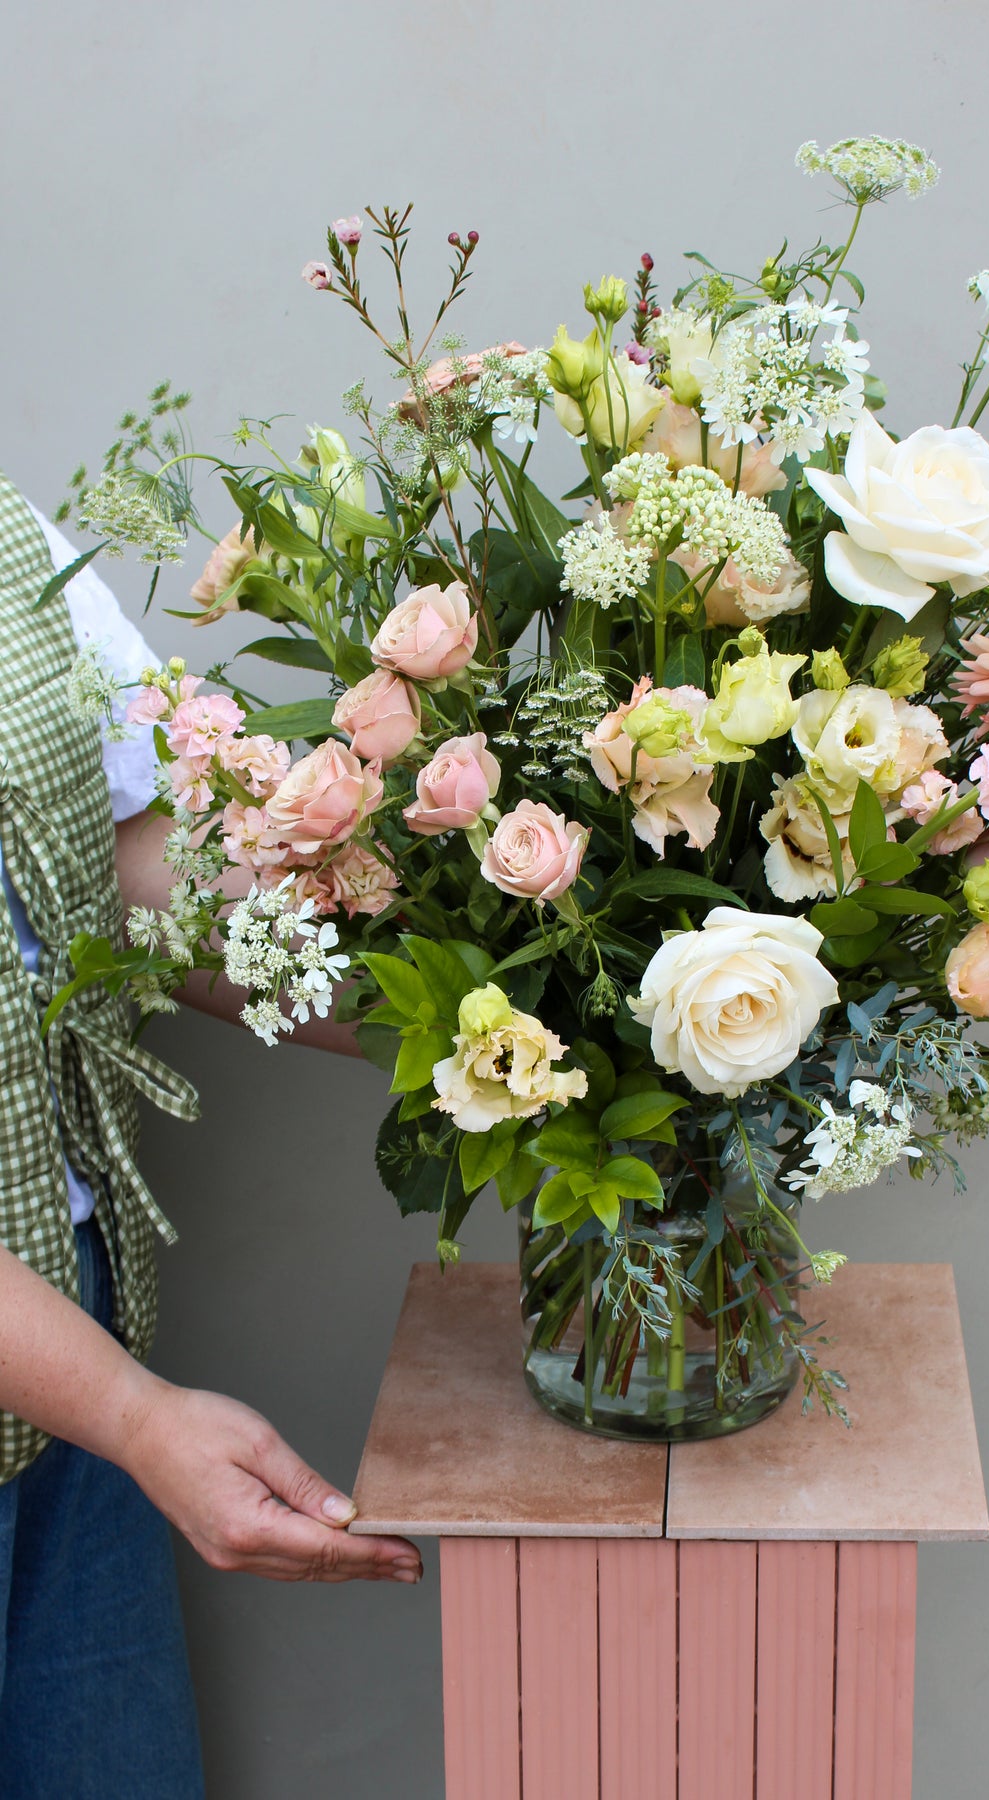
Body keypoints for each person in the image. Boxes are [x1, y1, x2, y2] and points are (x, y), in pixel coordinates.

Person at [0, 471, 421, 1799]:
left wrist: (469, 1014)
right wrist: (131, 1417)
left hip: (59, 1336)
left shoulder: (8, 545)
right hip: (88, 1393)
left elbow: (140, 867)